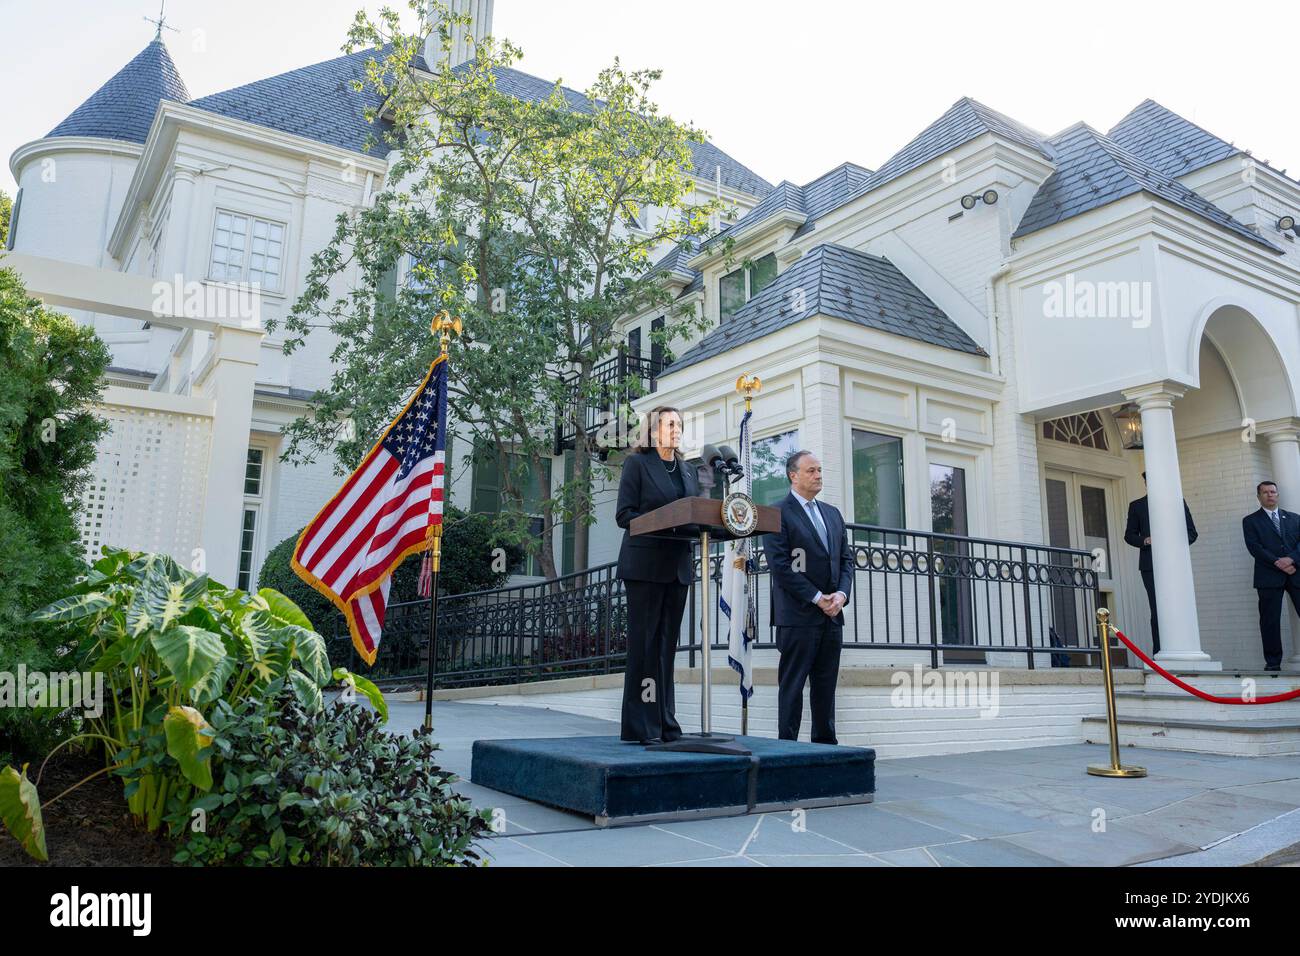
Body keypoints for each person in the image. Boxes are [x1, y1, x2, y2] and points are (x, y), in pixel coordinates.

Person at [614, 406, 699, 744]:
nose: (676, 429)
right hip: (644, 567)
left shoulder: (689, 470)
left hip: (677, 567)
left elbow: (693, 511)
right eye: (669, 424)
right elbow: (624, 515)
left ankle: (665, 723)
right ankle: (642, 726)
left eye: (680, 423)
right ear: (653, 430)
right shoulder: (637, 464)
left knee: (666, 648)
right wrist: (661, 519)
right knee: (645, 647)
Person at [763, 451, 853, 744]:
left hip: (831, 617)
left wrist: (840, 595)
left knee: (825, 688)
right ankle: (786, 752)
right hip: (797, 617)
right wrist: (816, 597)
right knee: (792, 687)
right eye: (811, 470)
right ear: (794, 475)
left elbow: (845, 560)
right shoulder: (777, 513)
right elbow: (781, 566)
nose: (818, 475)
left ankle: (826, 750)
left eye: (820, 470)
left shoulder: (832, 514)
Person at [1123, 471, 1198, 655]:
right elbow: (1129, 536)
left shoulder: (1177, 502)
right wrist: (1146, 541)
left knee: (1180, 607)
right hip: (1150, 566)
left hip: (1175, 564)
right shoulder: (1137, 506)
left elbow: (1191, 533)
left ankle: (1184, 650)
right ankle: (1159, 654)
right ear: (1146, 483)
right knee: (1157, 609)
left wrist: (1172, 543)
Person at [1242, 480, 1300, 672]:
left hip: (1295, 574)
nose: (1270, 495)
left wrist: (1291, 559)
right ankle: (1273, 663)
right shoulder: (1250, 521)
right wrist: (1278, 562)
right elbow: (1254, 547)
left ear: (1278, 494)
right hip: (1268, 576)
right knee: (1270, 620)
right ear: (1258, 496)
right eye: (1265, 492)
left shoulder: (1294, 518)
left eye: (1273, 491)